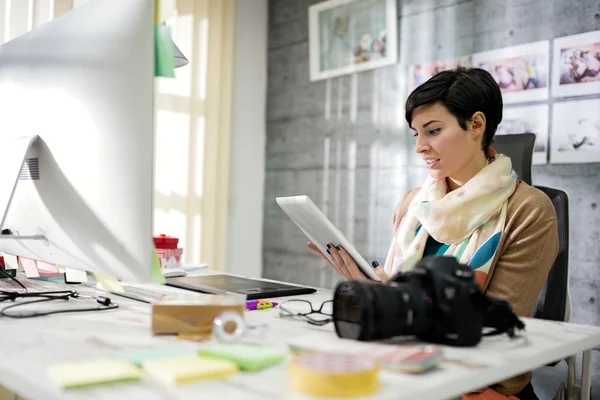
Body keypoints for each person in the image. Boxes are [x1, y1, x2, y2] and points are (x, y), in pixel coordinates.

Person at [308, 67, 559, 400]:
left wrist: (390, 300)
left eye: (433, 130)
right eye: (416, 134)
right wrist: (377, 292)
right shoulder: (413, 204)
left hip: (478, 385)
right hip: (404, 366)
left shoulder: (528, 210)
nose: (420, 148)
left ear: (477, 125)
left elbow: (492, 329)